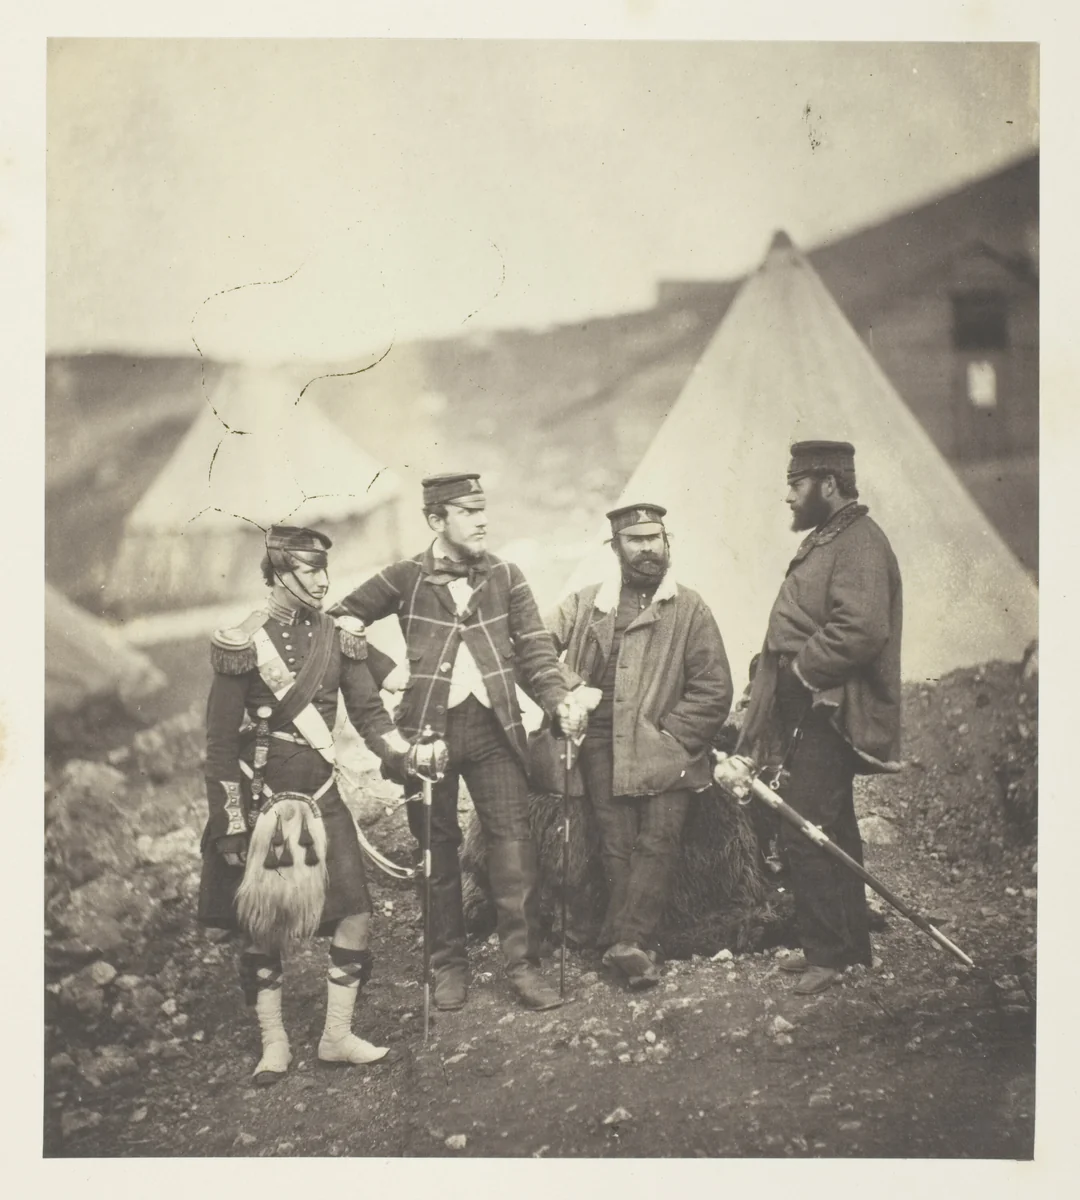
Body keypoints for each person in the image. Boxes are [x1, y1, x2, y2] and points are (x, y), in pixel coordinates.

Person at [329, 473, 591, 1013]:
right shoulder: (404, 577)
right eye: (467, 512)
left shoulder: (505, 574)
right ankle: (447, 964)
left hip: (495, 732)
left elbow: (537, 649)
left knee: (514, 846)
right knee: (436, 852)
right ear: (435, 520)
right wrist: (384, 669)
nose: (482, 521)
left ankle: (523, 965)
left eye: (483, 510)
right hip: (426, 738)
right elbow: (339, 623)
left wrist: (559, 697)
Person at [198, 524, 415, 1084]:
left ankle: (336, 1037)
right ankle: (274, 1043)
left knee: (357, 915)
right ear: (279, 573)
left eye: (324, 568)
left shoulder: (338, 637)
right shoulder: (243, 643)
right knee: (260, 924)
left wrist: (398, 754)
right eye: (310, 570)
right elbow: (219, 745)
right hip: (263, 802)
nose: (323, 580)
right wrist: (231, 822)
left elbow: (370, 716)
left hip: (323, 801)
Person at [715, 441, 902, 996]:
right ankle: (849, 948)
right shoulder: (833, 539)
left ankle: (827, 953)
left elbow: (863, 629)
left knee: (803, 829)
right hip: (811, 706)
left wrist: (799, 671)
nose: (789, 494)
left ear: (828, 483)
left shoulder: (860, 543)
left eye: (797, 484)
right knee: (834, 826)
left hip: (829, 709)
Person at [544, 503, 732, 989]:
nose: (648, 547)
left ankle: (626, 941)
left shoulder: (689, 608)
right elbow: (535, 650)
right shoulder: (587, 605)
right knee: (616, 840)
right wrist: (570, 690)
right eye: (635, 540)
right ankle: (632, 945)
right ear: (616, 548)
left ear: (667, 543)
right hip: (603, 743)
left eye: (655, 538)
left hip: (665, 745)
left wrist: (673, 737)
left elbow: (714, 689)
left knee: (660, 835)